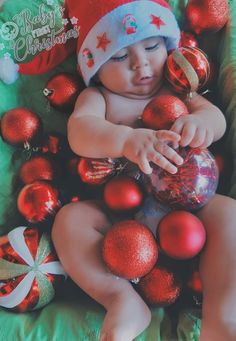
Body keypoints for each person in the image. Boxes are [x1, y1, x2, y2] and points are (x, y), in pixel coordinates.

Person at [51, 1, 236, 340]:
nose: (141, 63)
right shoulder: (98, 97)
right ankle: (121, 300)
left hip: (192, 207)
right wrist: (125, 140)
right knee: (68, 222)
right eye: (119, 57)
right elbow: (80, 130)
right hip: (118, 217)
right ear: (94, 67)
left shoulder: (178, 89)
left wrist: (200, 124)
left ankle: (222, 315)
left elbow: (218, 120)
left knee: (230, 217)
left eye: (152, 46)